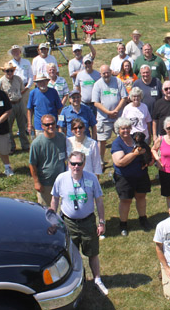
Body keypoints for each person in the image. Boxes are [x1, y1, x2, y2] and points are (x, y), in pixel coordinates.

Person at [50, 151, 108, 295]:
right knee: (70, 253)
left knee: (93, 252)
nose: (76, 167)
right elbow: (55, 199)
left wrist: (101, 222)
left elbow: (99, 201)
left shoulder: (92, 178)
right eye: (73, 163)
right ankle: (73, 282)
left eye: (79, 164)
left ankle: (97, 279)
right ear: (68, 164)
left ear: (84, 164)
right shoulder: (61, 179)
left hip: (88, 222)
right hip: (68, 222)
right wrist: (53, 220)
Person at [111, 117, 154, 236]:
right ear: (118, 130)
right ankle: (123, 224)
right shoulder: (117, 143)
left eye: (128, 128)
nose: (126, 131)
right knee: (126, 200)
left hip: (141, 174)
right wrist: (134, 154)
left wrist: (148, 160)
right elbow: (120, 162)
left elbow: (146, 151)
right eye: (123, 128)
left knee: (141, 197)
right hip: (125, 177)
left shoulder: (136, 139)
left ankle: (143, 219)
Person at [29, 114, 68, 205]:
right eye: (47, 125)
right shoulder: (37, 143)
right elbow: (32, 164)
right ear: (42, 126)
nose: (50, 126)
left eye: (52, 123)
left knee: (63, 209)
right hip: (46, 183)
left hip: (62, 181)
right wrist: (36, 182)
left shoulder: (62, 137)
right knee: (46, 211)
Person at [93, 65, 128, 161]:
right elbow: (96, 103)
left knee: (123, 138)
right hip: (104, 118)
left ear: (111, 72)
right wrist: (108, 112)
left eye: (107, 72)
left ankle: (124, 158)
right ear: (100, 74)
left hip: (118, 117)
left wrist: (116, 110)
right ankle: (100, 162)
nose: (106, 74)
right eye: (103, 73)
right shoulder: (97, 84)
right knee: (102, 141)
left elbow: (124, 97)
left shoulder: (118, 81)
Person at [0, 61, 29, 153]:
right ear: (4, 71)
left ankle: (25, 145)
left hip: (19, 103)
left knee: (22, 125)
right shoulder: (0, 82)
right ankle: (11, 146)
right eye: (7, 71)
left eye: (11, 71)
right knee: (8, 127)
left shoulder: (18, 79)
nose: (9, 73)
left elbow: (22, 89)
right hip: (8, 105)